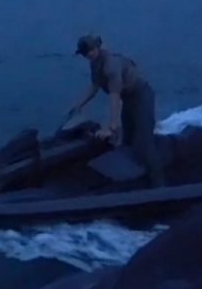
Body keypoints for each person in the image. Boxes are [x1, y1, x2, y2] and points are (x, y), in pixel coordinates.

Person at [69, 34, 164, 187]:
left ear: (97, 48)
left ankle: (160, 186)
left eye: (89, 51)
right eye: (84, 53)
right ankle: (132, 178)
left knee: (145, 143)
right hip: (128, 98)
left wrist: (112, 127)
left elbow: (114, 96)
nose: (87, 55)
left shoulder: (111, 65)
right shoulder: (95, 63)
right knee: (127, 140)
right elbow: (95, 85)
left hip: (141, 97)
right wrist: (78, 105)